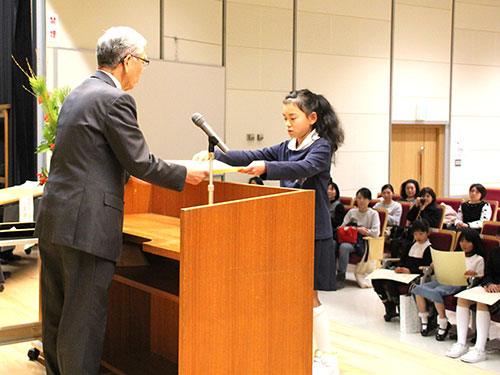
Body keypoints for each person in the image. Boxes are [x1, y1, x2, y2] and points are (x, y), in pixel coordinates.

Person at [34, 27, 208, 375]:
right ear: (127, 61)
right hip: (87, 227)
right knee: (82, 323)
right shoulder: (115, 99)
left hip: (55, 218)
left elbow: (94, 156)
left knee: (57, 314)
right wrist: (183, 174)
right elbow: (139, 161)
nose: (143, 69)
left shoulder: (80, 92)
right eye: (143, 60)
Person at [194, 88, 344, 375]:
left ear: (312, 118)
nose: (288, 124)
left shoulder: (322, 146)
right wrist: (214, 155)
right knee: (290, 295)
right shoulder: (287, 145)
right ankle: (298, 351)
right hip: (288, 230)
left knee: (309, 296)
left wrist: (266, 168)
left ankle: (326, 356)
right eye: (284, 118)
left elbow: (304, 166)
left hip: (313, 230)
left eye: (293, 117)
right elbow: (252, 154)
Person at [412, 229, 485, 341]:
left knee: (436, 292)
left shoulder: (478, 259)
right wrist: (436, 265)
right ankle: (424, 319)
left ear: (474, 243)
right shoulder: (455, 255)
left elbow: (481, 275)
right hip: (444, 280)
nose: (464, 244)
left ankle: (443, 322)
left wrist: (474, 274)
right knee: (418, 289)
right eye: (462, 241)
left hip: (459, 283)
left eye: (467, 242)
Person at [446, 228, 500, 363]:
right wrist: (489, 283)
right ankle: (461, 343)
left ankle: (479, 349)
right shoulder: (495, 252)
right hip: (492, 288)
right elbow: (488, 273)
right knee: (463, 299)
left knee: (482, 303)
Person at [372, 219, 432, 322]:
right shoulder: (410, 246)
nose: (418, 237)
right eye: (416, 234)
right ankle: (388, 305)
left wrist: (410, 271)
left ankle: (399, 306)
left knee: (391, 284)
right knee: (376, 280)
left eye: (421, 234)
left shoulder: (429, 249)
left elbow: (426, 268)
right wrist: (399, 267)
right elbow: (402, 260)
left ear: (427, 233)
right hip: (403, 273)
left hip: (415, 275)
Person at [336, 187, 380, 289]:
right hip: (350, 238)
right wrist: (356, 229)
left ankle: (340, 277)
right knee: (334, 244)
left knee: (344, 247)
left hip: (363, 242)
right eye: (359, 198)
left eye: (364, 198)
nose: (361, 201)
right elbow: (342, 227)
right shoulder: (352, 212)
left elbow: (376, 232)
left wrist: (364, 232)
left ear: (369, 200)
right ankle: (332, 275)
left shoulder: (373, 214)